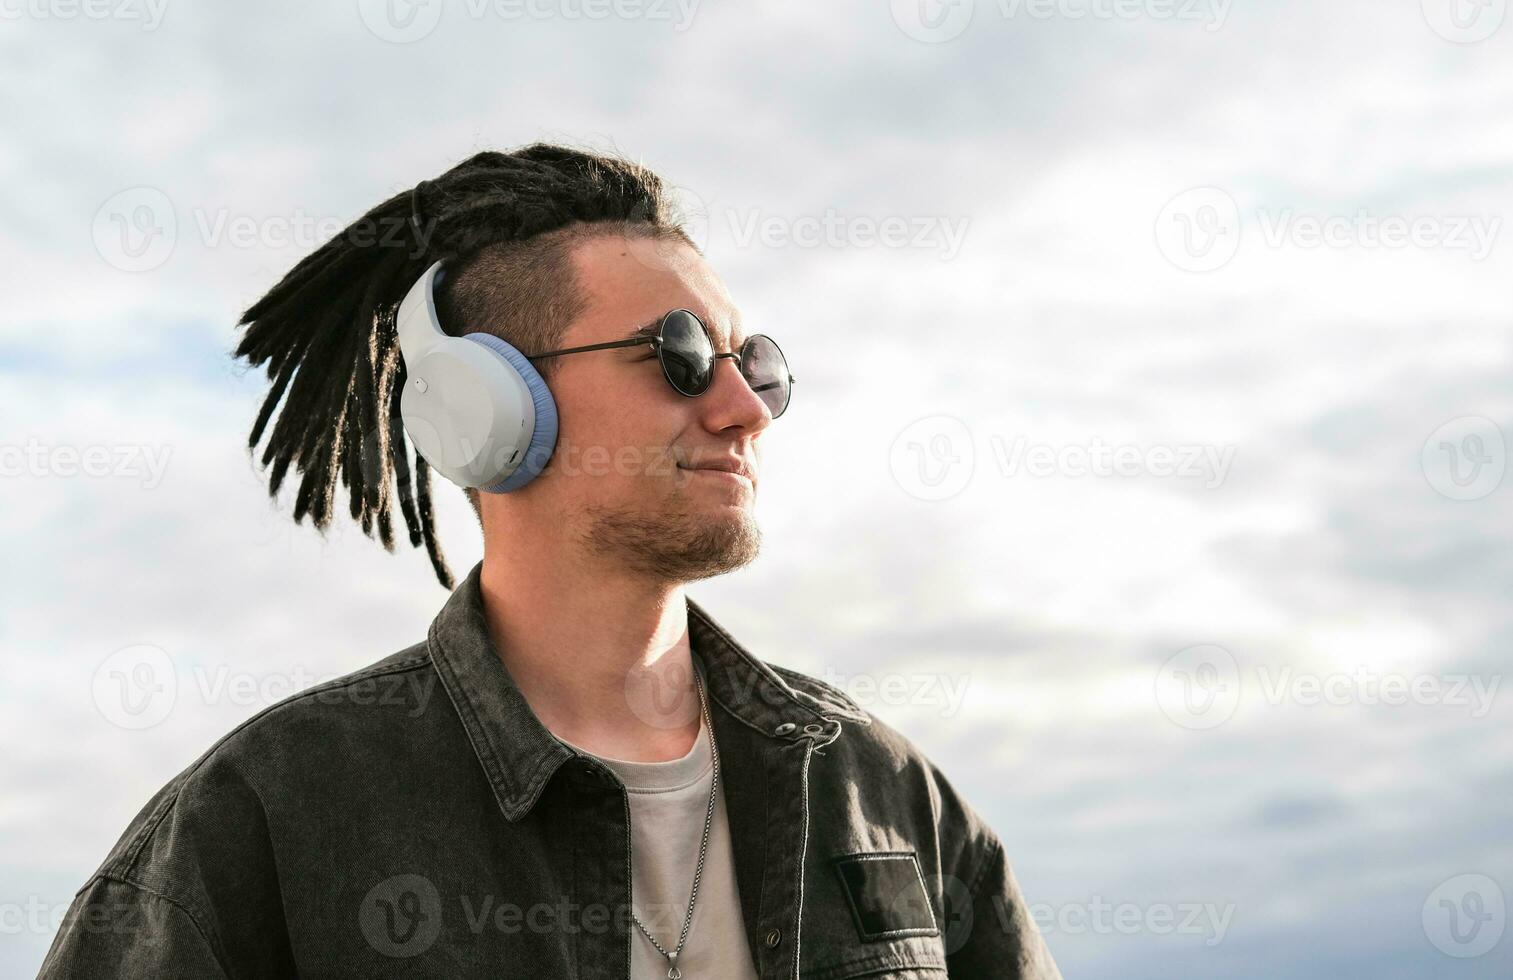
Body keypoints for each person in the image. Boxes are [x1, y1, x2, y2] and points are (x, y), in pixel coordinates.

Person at [38, 144, 1061, 979]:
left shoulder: (879, 788)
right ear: (486, 408)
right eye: (682, 353)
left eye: (756, 363)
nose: (744, 407)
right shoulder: (266, 814)